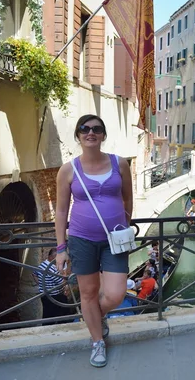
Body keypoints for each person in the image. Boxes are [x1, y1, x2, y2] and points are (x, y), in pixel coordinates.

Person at [55, 114, 133, 368]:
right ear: (78, 135)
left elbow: (127, 199)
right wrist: (60, 248)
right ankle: (97, 341)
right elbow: (60, 211)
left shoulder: (120, 164)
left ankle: (98, 318)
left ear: (103, 135)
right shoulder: (68, 170)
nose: (91, 133)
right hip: (81, 240)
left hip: (115, 241)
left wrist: (125, 223)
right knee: (88, 293)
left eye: (97, 129)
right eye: (85, 129)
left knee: (115, 293)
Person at [33, 248, 72, 323]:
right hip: (54, 296)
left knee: (47, 315)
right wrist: (64, 272)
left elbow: (34, 274)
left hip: (44, 294)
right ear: (52, 257)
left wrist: (42, 284)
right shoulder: (52, 269)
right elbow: (62, 283)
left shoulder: (42, 265)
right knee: (64, 315)